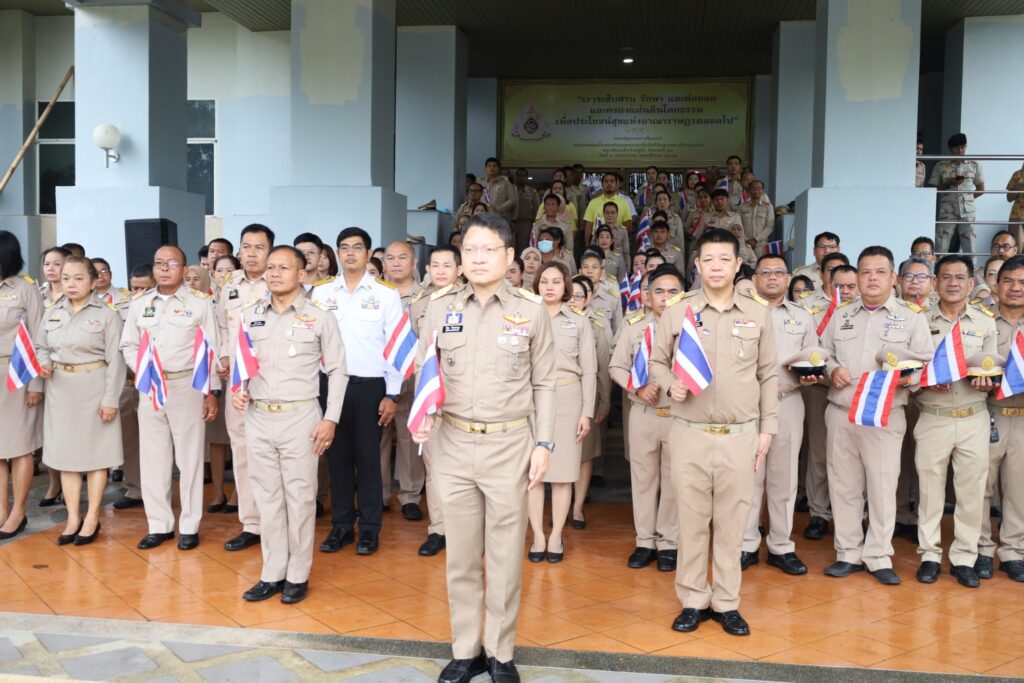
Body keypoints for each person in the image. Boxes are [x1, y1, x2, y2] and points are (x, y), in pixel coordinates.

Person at [410, 213, 554, 683]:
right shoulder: (439, 306)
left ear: (509, 256)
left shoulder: (532, 309)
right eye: (469, 250)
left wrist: (543, 443)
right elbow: (426, 367)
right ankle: (466, 650)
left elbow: (545, 382)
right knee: (461, 555)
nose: (477, 258)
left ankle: (500, 652)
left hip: (510, 444)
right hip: (452, 442)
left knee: (506, 556)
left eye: (488, 250)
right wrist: (423, 415)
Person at [648, 228, 778, 637]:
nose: (716, 266)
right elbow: (656, 362)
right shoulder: (679, 311)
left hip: (740, 435)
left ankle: (726, 602)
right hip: (690, 432)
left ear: (738, 264)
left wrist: (768, 429)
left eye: (725, 259)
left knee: (732, 523)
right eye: (708, 259)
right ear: (698, 265)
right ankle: (693, 600)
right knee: (690, 521)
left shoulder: (758, 314)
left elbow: (769, 375)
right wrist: (670, 383)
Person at [232, 246, 348, 605]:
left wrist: (330, 418)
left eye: (284, 268)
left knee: (299, 498)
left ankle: (297, 574)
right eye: (271, 268)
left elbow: (338, 370)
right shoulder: (250, 315)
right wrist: (239, 391)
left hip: (300, 417)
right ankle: (272, 572)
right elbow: (242, 363)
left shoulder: (320, 317)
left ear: (302, 274)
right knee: (267, 498)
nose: (275, 273)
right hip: (258, 416)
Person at [820, 246, 932, 585]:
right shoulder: (841, 315)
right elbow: (822, 353)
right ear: (857, 276)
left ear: (893, 277)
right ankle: (848, 553)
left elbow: (924, 363)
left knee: (883, 486)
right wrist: (831, 369)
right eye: (866, 272)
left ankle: (879, 555)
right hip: (842, 413)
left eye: (880, 272)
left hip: (885, 415)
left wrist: (906, 378)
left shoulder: (911, 317)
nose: (872, 278)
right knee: (843, 485)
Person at [120, 245, 221, 551]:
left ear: (184, 269)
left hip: (187, 386)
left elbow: (212, 350)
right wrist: (143, 369)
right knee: (153, 459)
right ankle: (159, 525)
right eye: (159, 263)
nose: (164, 268)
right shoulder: (139, 304)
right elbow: (128, 344)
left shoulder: (200, 304)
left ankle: (189, 526)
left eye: (171, 263)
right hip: (151, 388)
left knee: (189, 459)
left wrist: (211, 392)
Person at [313, 227, 403, 556]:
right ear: (337, 253)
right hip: (330, 387)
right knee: (336, 459)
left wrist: (392, 394)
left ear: (368, 254)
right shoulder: (321, 292)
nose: (350, 253)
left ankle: (369, 529)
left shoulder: (385, 294)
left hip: (370, 388)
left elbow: (396, 347)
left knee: (368, 461)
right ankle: (341, 527)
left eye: (357, 247)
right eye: (344, 247)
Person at [912, 255, 996, 588]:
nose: (953, 283)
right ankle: (929, 555)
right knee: (930, 492)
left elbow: (991, 366)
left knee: (971, 493)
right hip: (933, 416)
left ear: (971, 283)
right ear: (935, 282)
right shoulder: (919, 320)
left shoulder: (985, 322)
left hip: (974, 416)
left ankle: (964, 558)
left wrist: (987, 381)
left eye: (960, 277)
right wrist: (924, 380)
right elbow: (908, 368)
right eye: (946, 277)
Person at [38, 256, 127, 546]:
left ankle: (91, 517)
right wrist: (44, 363)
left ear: (92, 281)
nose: (71, 284)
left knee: (96, 456)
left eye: (78, 278)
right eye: (66, 278)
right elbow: (40, 346)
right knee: (66, 458)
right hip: (60, 390)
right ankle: (73, 517)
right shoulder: (52, 312)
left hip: (94, 390)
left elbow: (116, 361)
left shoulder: (107, 315)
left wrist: (110, 399)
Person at [743, 255, 817, 575]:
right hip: (748, 405)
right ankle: (746, 544)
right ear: (755, 279)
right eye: (765, 272)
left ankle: (781, 546)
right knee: (748, 477)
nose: (772, 277)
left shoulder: (802, 316)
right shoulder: (741, 313)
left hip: (788, 401)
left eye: (778, 273)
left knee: (784, 478)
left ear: (788, 279)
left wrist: (812, 373)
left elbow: (813, 356)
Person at [609, 265, 682, 571]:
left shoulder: (693, 329)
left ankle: (669, 543)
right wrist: (636, 388)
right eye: (659, 291)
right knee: (643, 480)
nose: (665, 297)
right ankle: (645, 542)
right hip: (643, 413)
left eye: (673, 292)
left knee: (674, 481)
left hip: (679, 416)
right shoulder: (634, 327)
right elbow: (616, 366)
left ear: (683, 296)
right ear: (648, 296)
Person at [528, 262, 595, 564]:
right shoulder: (526, 315)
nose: (550, 287)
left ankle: (555, 535)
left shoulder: (578, 321)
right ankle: (537, 536)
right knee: (532, 473)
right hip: (531, 399)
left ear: (566, 285)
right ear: (536, 285)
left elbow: (590, 370)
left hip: (569, 398)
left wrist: (587, 412)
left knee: (563, 474)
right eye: (544, 281)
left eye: (556, 281)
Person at [216, 224, 274, 553]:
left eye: (259, 247)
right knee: (241, 450)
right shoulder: (229, 286)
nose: (251, 253)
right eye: (246, 247)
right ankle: (251, 523)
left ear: (270, 251)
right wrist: (224, 356)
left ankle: (275, 520)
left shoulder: (280, 281)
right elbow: (224, 329)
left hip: (270, 380)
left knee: (270, 453)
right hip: (238, 381)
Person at [408, 245, 462, 557]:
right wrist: (422, 401)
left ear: (459, 270)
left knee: (465, 469)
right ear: (427, 269)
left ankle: (465, 530)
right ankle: (438, 529)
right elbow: (420, 357)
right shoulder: (419, 303)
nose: (441, 271)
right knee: (434, 467)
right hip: (432, 396)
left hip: (462, 396)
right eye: (436, 265)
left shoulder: (469, 301)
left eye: (447, 265)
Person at [980, 255, 1024, 582]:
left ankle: (1013, 550)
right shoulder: (980, 322)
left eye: (1022, 282)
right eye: (1008, 280)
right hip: (988, 414)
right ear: (995, 284)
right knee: (979, 487)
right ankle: (981, 548)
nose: (1015, 287)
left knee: (1019, 490)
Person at [0, 231, 44, 540]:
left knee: (19, 448)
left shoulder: (25, 289)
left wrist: (36, 384)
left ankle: (18, 512)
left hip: (17, 374)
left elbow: (40, 338)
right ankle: (1, 509)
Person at [380, 241, 426, 521]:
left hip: (411, 378)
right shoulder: (374, 294)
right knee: (378, 438)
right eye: (390, 258)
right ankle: (380, 494)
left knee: (409, 439)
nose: (396, 263)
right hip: (378, 376)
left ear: (414, 262)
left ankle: (410, 495)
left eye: (402, 257)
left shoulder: (425, 297)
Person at [112, 264, 156, 511]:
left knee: (157, 442)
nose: (138, 293)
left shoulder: (163, 307)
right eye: (134, 288)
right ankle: (134, 487)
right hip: (129, 382)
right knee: (130, 440)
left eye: (144, 288)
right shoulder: (120, 308)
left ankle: (159, 490)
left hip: (158, 384)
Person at [572, 274, 611, 530]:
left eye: (579, 296)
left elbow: (604, 368)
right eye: (570, 295)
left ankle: (577, 507)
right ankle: (564, 501)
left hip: (587, 398)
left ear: (588, 299)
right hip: (558, 397)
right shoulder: (550, 321)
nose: (573, 300)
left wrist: (605, 402)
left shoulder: (596, 326)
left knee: (585, 455)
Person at [930, 133, 985, 256]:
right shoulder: (941, 166)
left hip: (968, 211)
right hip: (947, 211)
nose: (960, 150)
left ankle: (971, 268)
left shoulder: (974, 165)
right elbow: (932, 188)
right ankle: (938, 267)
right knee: (941, 244)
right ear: (950, 149)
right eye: (956, 147)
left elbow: (981, 189)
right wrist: (948, 184)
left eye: (963, 147)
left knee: (970, 245)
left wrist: (968, 199)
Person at [583, 172, 633, 244]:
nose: (609, 183)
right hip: (597, 242)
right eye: (606, 181)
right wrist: (587, 244)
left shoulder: (624, 202)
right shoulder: (593, 202)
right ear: (602, 184)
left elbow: (627, 225)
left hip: (617, 242)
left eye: (612, 181)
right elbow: (588, 225)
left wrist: (625, 243)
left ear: (616, 184)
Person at [739, 179, 775, 253]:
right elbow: (738, 225)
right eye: (753, 188)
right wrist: (747, 240)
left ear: (763, 191)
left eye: (759, 189)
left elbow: (770, 226)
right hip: (744, 243)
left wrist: (755, 240)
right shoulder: (742, 207)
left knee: (761, 261)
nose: (756, 191)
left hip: (761, 244)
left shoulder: (768, 207)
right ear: (749, 190)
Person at [511, 168, 540, 254]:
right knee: (510, 248)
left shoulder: (532, 192)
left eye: (524, 176)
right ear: (516, 177)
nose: (521, 178)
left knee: (524, 250)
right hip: (511, 224)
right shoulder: (511, 191)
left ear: (527, 177)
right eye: (519, 175)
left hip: (526, 225)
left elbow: (537, 211)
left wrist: (533, 226)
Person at [482, 157, 516, 225]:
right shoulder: (481, 183)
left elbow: (512, 200)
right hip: (484, 218)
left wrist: (498, 209)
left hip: (501, 217)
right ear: (485, 168)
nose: (492, 168)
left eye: (494, 166)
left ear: (498, 169)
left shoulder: (505, 183)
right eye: (489, 166)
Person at [1006, 163, 1024, 246]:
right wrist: (1018, 188)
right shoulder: (1018, 175)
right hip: (1018, 216)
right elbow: (1009, 198)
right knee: (1017, 248)